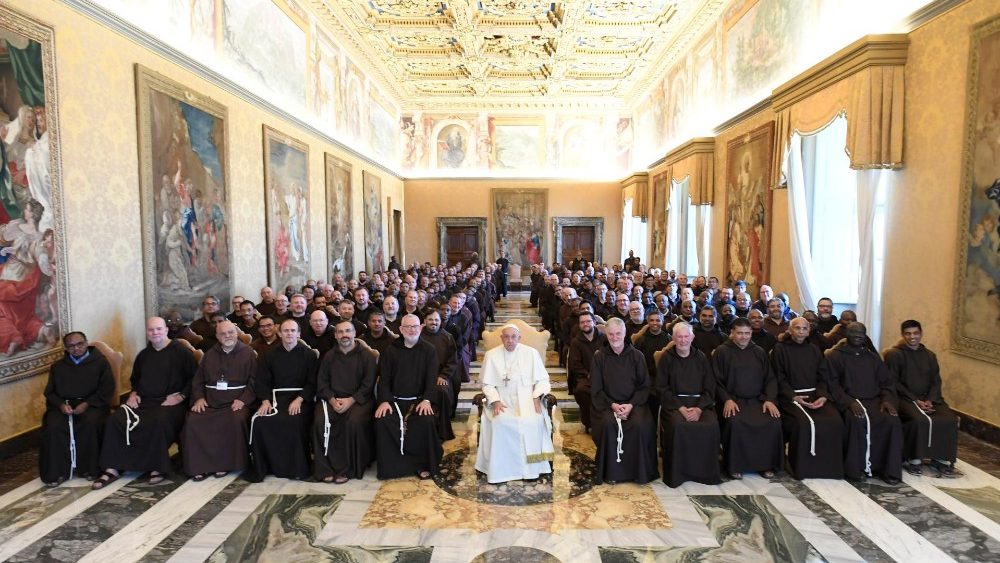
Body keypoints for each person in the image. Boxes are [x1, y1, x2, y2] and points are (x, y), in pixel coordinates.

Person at [95, 317, 196, 488]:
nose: (155, 333)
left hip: (171, 402)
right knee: (115, 420)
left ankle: (157, 467)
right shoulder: (144, 355)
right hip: (144, 401)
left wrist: (181, 397)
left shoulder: (181, 352)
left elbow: (194, 379)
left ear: (165, 330)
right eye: (151, 330)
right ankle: (113, 467)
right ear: (147, 333)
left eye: (158, 329)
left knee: (159, 421)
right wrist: (133, 394)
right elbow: (136, 380)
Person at [475, 324, 555, 483]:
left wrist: (537, 396)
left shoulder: (531, 353)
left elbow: (543, 380)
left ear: (519, 338)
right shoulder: (491, 355)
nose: (510, 340)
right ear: (501, 338)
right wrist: (495, 400)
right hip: (502, 401)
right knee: (500, 422)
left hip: (527, 399)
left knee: (533, 422)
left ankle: (533, 469)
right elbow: (487, 385)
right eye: (506, 337)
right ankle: (502, 471)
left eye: (513, 337)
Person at [826, 322, 902, 485]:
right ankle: (856, 469)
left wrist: (887, 400)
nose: (858, 336)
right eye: (854, 333)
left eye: (861, 333)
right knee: (856, 421)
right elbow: (832, 384)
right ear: (847, 334)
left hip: (874, 401)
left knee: (891, 421)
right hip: (850, 401)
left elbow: (887, 383)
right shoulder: (835, 356)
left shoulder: (872, 357)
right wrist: (849, 402)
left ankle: (887, 469)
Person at [884, 320, 960, 478]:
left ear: (921, 333)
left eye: (916, 333)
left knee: (949, 419)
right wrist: (915, 400)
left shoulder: (930, 355)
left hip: (930, 398)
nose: (912, 337)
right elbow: (893, 381)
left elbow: (936, 381)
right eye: (908, 333)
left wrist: (931, 399)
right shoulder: (894, 354)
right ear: (902, 335)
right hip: (905, 398)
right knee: (919, 420)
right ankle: (914, 460)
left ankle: (940, 459)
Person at [181, 321, 256, 480]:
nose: (227, 336)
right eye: (223, 333)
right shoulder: (209, 354)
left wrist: (243, 400)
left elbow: (254, 381)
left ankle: (225, 464)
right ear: (217, 336)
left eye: (231, 332)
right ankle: (199, 465)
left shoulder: (248, 353)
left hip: (235, 401)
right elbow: (198, 380)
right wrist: (199, 398)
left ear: (236, 333)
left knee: (236, 420)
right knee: (193, 420)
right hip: (211, 401)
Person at [771, 318, 844, 480]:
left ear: (809, 331)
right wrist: (793, 396)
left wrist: (823, 396)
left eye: (804, 328)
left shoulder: (814, 349)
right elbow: (778, 377)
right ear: (790, 330)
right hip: (790, 397)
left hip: (815, 394)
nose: (801, 331)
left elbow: (822, 375)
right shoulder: (780, 349)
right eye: (797, 328)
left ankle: (829, 467)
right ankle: (802, 468)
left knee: (835, 420)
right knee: (802, 424)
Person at [39, 332, 115, 486]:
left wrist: (86, 404)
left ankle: (89, 468)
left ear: (86, 343)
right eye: (71, 346)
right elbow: (50, 392)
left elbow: (106, 389)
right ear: (66, 349)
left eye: (80, 344)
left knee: (90, 423)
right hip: (63, 406)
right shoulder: (58, 367)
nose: (77, 348)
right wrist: (61, 405)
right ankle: (58, 472)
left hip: (93, 404)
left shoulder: (101, 363)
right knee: (53, 426)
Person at [247, 319, 317, 482]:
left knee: (293, 421)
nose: (289, 334)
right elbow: (262, 381)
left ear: (299, 334)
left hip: (300, 400)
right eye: (286, 331)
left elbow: (312, 382)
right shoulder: (269, 355)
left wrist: (300, 399)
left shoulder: (309, 355)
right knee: (260, 421)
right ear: (279, 333)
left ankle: (296, 468)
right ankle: (267, 466)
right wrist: (265, 401)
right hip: (275, 399)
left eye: (293, 331)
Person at [590, 318, 658, 484]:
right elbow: (596, 389)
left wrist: (630, 405)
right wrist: (613, 405)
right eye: (611, 334)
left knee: (640, 425)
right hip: (608, 404)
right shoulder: (599, 357)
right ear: (606, 334)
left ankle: (638, 472)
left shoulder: (637, 356)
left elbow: (644, 386)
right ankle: (612, 473)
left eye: (618, 333)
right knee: (608, 424)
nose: (614, 337)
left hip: (634, 403)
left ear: (625, 333)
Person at [713, 318, 783, 480]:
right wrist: (727, 400)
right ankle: (736, 466)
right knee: (735, 422)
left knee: (772, 421)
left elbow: (770, 379)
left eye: (747, 333)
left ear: (751, 333)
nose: (743, 337)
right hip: (733, 400)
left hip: (758, 400)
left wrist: (769, 400)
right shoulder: (722, 352)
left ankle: (765, 464)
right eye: (740, 333)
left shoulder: (759, 352)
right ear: (732, 333)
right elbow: (716, 380)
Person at [374, 314, 442, 480]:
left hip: (419, 400)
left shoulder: (429, 350)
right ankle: (392, 467)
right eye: (407, 327)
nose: (411, 330)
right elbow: (384, 380)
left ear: (420, 328)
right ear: (401, 329)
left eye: (415, 326)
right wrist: (384, 401)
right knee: (383, 421)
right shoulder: (390, 350)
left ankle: (422, 465)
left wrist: (427, 400)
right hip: (394, 401)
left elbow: (431, 380)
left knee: (425, 421)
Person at [313, 319, 377, 483]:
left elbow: (368, 383)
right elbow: (322, 382)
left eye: (348, 331)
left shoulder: (367, 356)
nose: (344, 335)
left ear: (355, 333)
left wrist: (351, 400)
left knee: (353, 423)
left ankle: (348, 468)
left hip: (359, 400)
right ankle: (325, 468)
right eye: (340, 332)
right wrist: (332, 401)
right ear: (335, 335)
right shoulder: (329, 356)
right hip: (332, 399)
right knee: (320, 422)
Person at [656, 322, 720, 487]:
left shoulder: (702, 358)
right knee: (678, 425)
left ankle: (704, 473)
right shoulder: (666, 358)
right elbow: (662, 387)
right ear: (673, 338)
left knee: (710, 424)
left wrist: (698, 409)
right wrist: (682, 408)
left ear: (692, 337)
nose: (683, 340)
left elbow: (709, 387)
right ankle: (679, 473)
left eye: (686, 336)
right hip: (675, 404)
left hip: (700, 403)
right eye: (679, 336)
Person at [421, 309, 460, 438]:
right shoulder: (418, 335)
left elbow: (452, 360)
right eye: (431, 319)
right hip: (421, 376)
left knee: (443, 391)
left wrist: (443, 375)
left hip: (440, 375)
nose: (434, 322)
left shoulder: (447, 337)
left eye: (436, 320)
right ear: (425, 321)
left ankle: (443, 430)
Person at [567, 312, 606, 432]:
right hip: (586, 376)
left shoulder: (604, 338)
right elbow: (575, 364)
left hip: (605, 375)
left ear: (594, 322)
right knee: (581, 390)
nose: (585, 324)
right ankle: (589, 422)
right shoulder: (576, 342)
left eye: (588, 321)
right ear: (579, 325)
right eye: (582, 322)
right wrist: (588, 374)